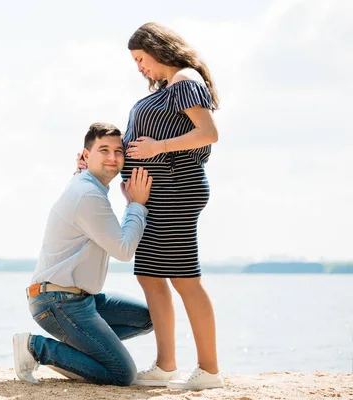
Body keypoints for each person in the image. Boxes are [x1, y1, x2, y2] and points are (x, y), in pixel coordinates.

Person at [76, 22, 224, 390]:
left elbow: (208, 133)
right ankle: (166, 365)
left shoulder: (185, 80)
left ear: (158, 49)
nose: (139, 67)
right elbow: (135, 145)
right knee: (149, 276)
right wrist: (95, 164)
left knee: (184, 278)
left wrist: (158, 149)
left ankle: (209, 371)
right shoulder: (167, 90)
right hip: (157, 195)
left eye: (141, 59)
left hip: (177, 188)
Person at [12, 122, 154, 386]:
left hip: (80, 299)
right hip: (58, 302)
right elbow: (123, 250)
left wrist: (80, 168)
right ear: (87, 155)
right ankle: (36, 347)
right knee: (122, 374)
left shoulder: (85, 184)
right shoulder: (88, 193)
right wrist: (136, 205)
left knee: (148, 317)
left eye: (118, 151)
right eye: (104, 150)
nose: (113, 157)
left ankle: (82, 352)